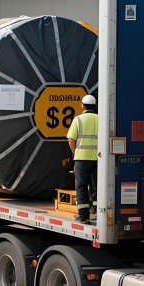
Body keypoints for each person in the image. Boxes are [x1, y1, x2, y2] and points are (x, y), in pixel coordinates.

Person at [66, 94, 99, 224]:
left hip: (81, 159)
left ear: (82, 105)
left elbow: (71, 140)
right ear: (95, 106)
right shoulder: (100, 119)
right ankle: (97, 213)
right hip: (98, 159)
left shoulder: (78, 119)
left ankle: (83, 216)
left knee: (81, 186)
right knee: (96, 186)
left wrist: (76, 153)